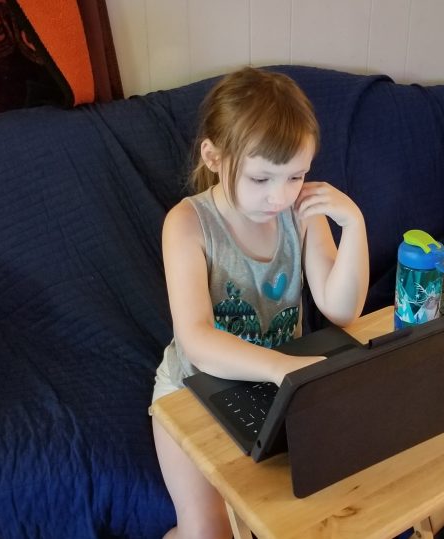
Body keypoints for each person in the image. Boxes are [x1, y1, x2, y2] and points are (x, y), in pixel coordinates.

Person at [151, 66, 370, 539]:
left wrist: (354, 226)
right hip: (192, 391)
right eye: (261, 178)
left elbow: (341, 309)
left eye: (296, 176)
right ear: (214, 156)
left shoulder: (301, 212)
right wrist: (282, 369)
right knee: (208, 533)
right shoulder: (187, 224)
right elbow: (197, 340)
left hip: (277, 386)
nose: (279, 196)